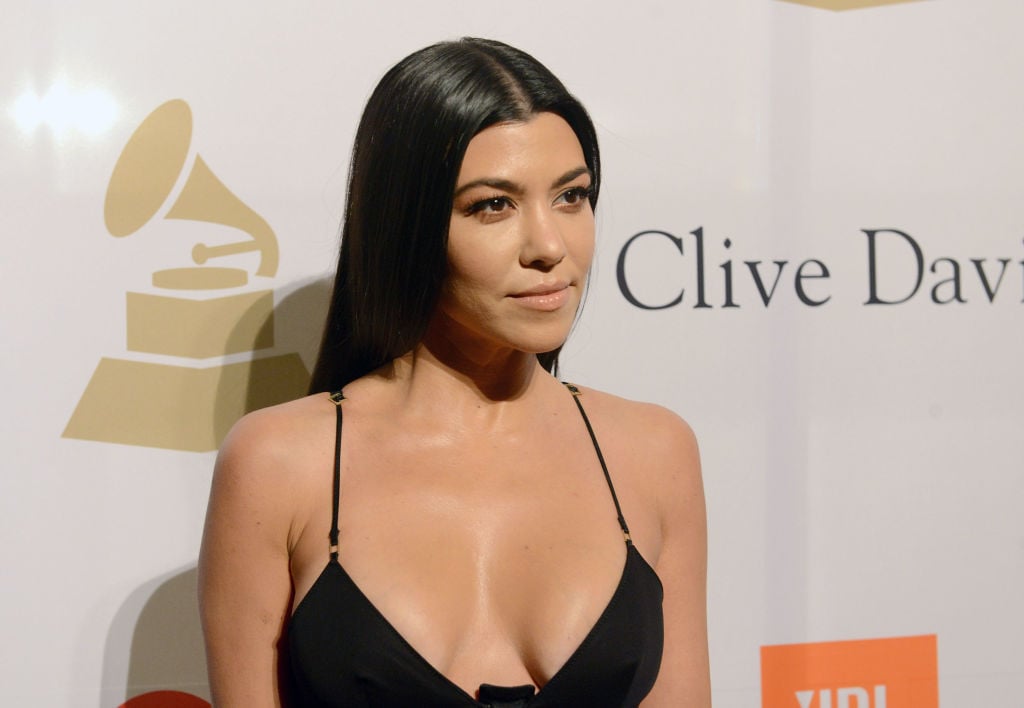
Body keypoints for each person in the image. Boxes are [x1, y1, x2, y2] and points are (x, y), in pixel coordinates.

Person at [199, 37, 709, 707]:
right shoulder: (279, 465)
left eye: (571, 196)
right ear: (404, 226)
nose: (550, 246)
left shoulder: (653, 453)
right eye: (493, 205)